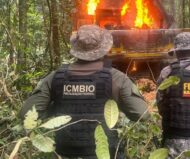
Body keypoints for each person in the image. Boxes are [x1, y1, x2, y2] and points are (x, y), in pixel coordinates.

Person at [19, 24, 149, 159]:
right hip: (105, 154)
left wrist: (59, 107)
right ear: (104, 49)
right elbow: (142, 114)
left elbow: (26, 114)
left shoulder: (55, 77)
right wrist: (117, 104)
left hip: (64, 154)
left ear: (76, 48)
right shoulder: (116, 78)